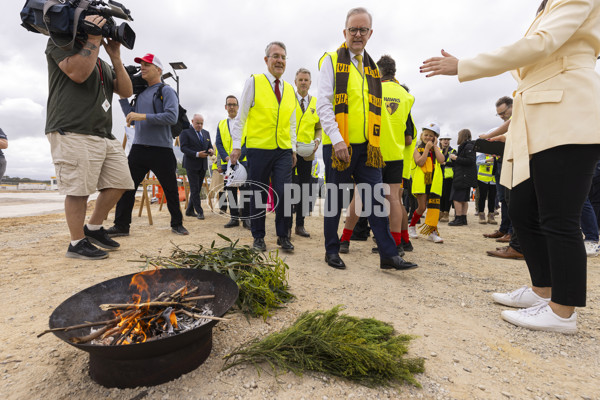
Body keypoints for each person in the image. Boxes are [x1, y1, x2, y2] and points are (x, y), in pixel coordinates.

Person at [421, 0, 600, 333]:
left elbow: (540, 44)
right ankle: (542, 291)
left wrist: (465, 65)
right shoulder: (547, 6)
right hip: (536, 116)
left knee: (559, 217)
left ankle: (563, 312)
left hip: (566, 113)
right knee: (522, 207)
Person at [316, 7, 416, 271]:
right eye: (353, 30)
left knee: (375, 201)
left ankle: (388, 255)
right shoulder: (330, 60)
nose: (357, 34)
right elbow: (324, 105)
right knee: (336, 201)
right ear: (344, 32)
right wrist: (337, 140)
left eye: (363, 30)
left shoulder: (372, 68)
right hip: (339, 145)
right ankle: (331, 250)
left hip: (368, 149)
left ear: (370, 33)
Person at [45, 16, 134, 260]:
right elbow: (78, 74)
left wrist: (115, 57)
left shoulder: (101, 61)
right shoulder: (60, 44)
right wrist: (94, 38)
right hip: (72, 129)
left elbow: (126, 91)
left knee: (122, 182)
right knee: (78, 190)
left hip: (103, 133)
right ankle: (76, 243)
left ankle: (93, 228)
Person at [108, 53, 189, 237]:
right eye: (141, 65)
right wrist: (122, 97)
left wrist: (141, 116)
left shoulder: (166, 91)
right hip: (139, 148)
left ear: (158, 70)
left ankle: (177, 224)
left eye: (147, 65)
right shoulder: (141, 94)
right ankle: (121, 226)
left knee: (170, 189)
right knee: (127, 187)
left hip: (162, 149)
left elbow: (170, 117)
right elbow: (132, 118)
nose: (142, 68)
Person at [229, 42, 297, 253]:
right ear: (266, 60)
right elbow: (241, 118)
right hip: (259, 148)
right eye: (275, 56)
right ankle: (258, 236)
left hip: (283, 150)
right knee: (258, 193)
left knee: (285, 193)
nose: (280, 60)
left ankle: (283, 235)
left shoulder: (289, 89)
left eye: (283, 57)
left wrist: (293, 148)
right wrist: (236, 146)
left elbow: (292, 121)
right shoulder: (254, 82)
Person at [292, 68, 322, 238]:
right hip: (289, 152)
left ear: (310, 83)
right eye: (300, 79)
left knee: (304, 189)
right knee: (288, 188)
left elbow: (319, 127)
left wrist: (317, 141)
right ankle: (286, 224)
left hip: (308, 153)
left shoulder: (316, 103)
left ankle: (300, 225)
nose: (303, 82)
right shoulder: (289, 100)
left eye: (306, 80)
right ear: (295, 82)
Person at [215, 95, 250, 229]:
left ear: (238, 107)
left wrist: (239, 156)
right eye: (229, 104)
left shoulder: (245, 122)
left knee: (245, 191)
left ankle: (246, 219)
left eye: (234, 104)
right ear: (225, 107)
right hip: (228, 163)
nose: (231, 107)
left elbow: (249, 141)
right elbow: (218, 142)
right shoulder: (221, 124)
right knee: (230, 191)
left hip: (244, 162)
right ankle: (234, 218)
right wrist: (225, 158)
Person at [408, 124, 445, 243]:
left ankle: (432, 231)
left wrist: (434, 147)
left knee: (434, 208)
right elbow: (420, 162)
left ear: (435, 138)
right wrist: (427, 150)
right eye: (426, 135)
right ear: (421, 135)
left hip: (434, 182)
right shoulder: (416, 149)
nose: (428, 137)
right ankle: (412, 226)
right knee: (422, 207)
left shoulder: (437, 149)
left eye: (431, 136)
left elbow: (441, 160)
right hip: (421, 182)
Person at [180, 113, 213, 220]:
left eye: (201, 124)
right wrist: (197, 154)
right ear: (192, 121)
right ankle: (200, 211)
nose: (199, 125)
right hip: (191, 164)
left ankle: (189, 210)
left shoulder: (206, 133)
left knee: (197, 189)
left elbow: (209, 146)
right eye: (197, 123)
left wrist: (211, 150)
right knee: (194, 189)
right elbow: (183, 148)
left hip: (203, 165)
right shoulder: (185, 132)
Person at [447, 129, 477, 226]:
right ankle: (463, 219)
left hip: (462, 176)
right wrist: (447, 163)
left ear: (462, 136)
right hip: (465, 176)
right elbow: (461, 163)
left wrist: (456, 158)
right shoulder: (468, 146)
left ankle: (458, 218)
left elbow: (470, 160)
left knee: (457, 198)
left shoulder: (468, 146)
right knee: (464, 199)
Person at [476, 153, 498, 224]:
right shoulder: (483, 154)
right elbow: (477, 162)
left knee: (492, 198)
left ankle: (491, 215)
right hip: (483, 179)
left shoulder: (496, 155)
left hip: (493, 180)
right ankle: (481, 215)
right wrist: (487, 160)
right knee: (482, 197)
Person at [438, 132, 456, 222]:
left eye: (448, 140)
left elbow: (456, 163)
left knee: (447, 196)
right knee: (440, 195)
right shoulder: (437, 150)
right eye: (444, 139)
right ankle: (440, 212)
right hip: (439, 176)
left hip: (449, 177)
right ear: (440, 141)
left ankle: (446, 213)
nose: (446, 141)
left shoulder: (453, 151)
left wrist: (445, 163)